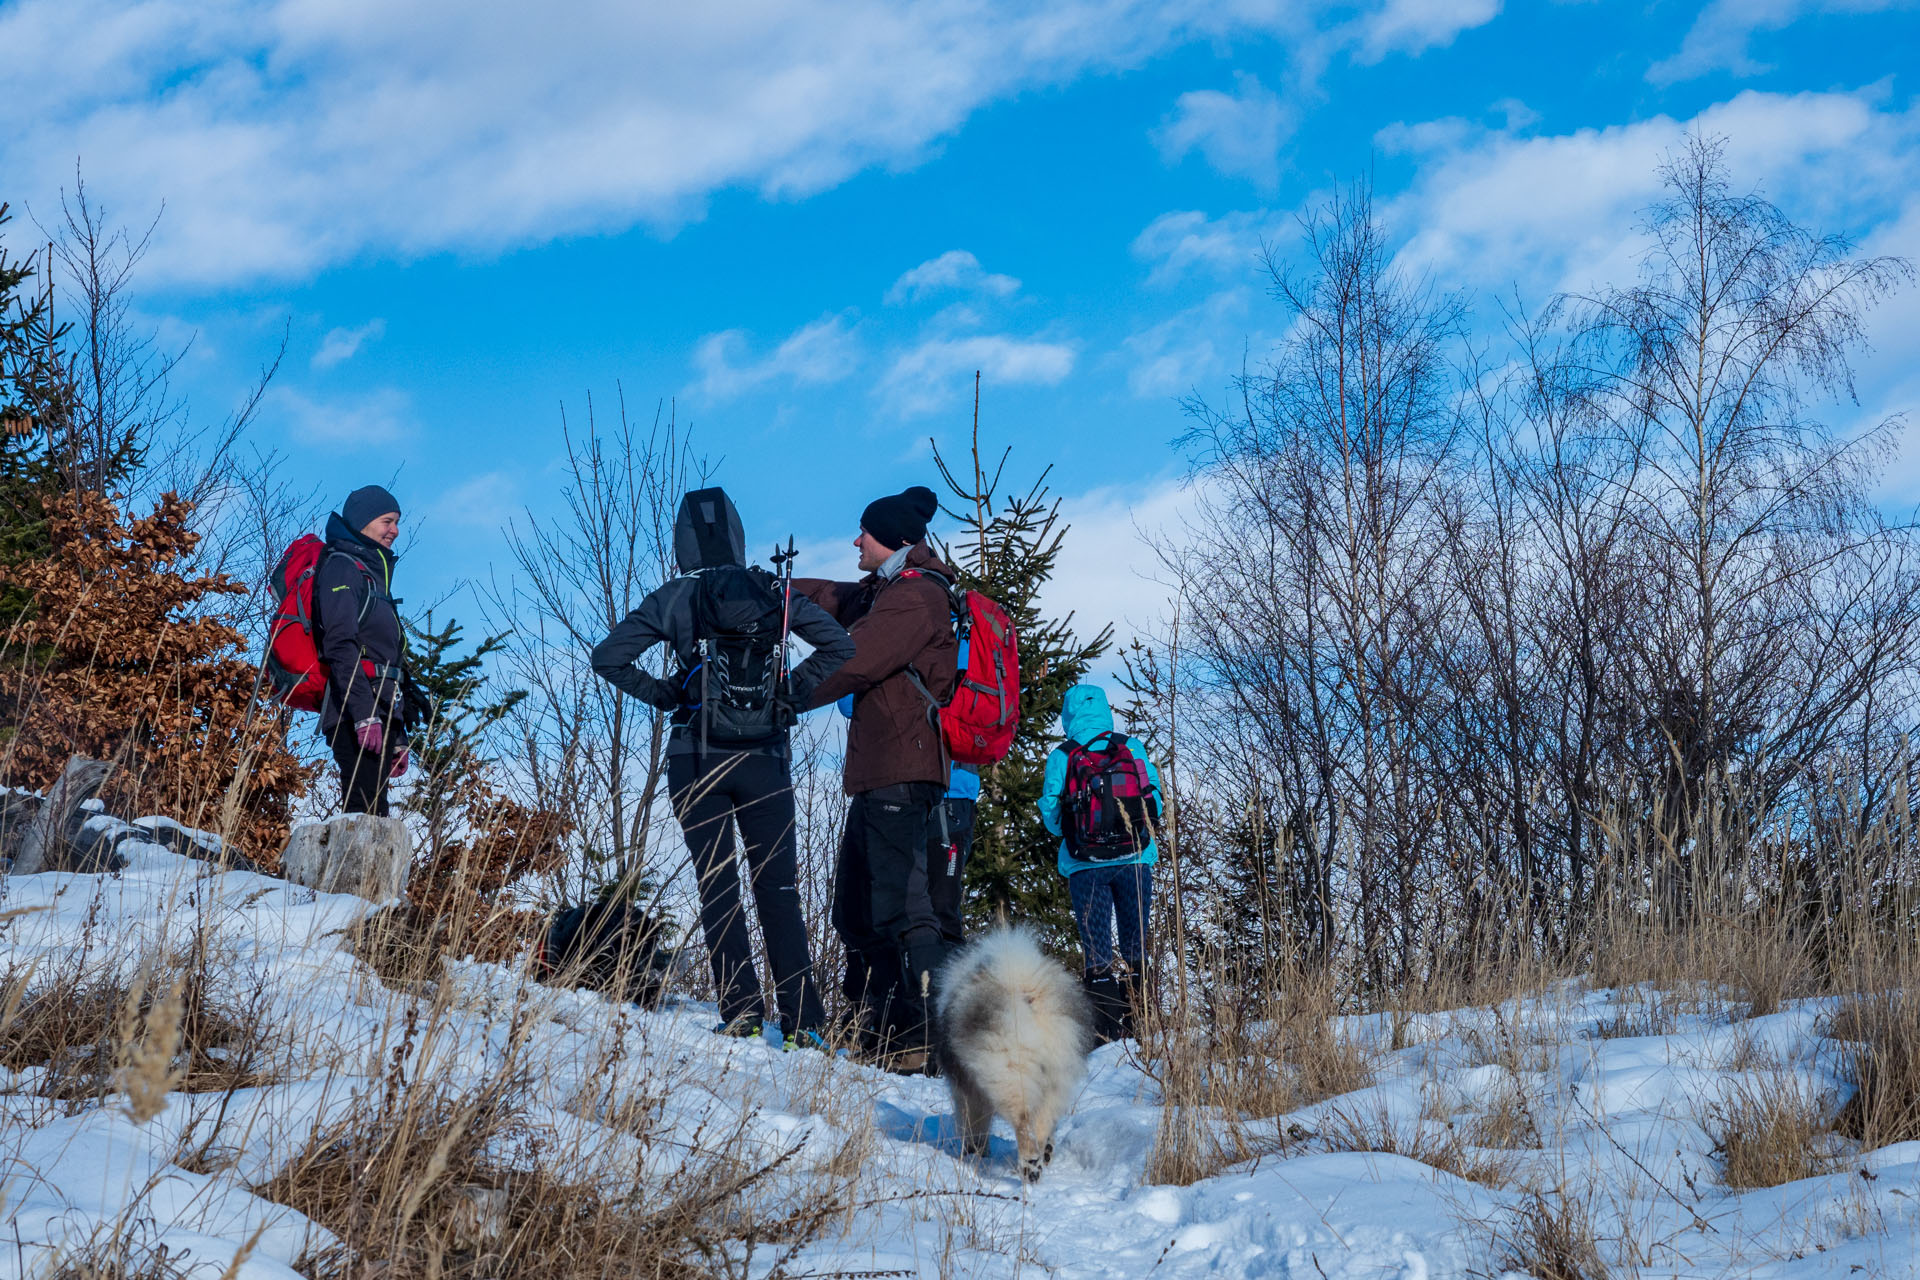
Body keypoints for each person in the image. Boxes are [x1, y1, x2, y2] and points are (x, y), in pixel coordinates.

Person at [591, 487, 853, 1050]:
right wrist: (788, 697)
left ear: (683, 541)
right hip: (766, 759)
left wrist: (666, 695)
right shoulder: (774, 593)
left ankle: (740, 1012)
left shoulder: (676, 597)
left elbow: (608, 657)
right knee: (778, 887)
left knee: (717, 884)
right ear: (737, 535)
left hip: (696, 756)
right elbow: (839, 647)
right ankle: (804, 1021)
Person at [796, 485, 958, 1071]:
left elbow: (850, 657)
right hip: (878, 772)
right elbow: (835, 599)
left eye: (864, 531)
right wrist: (775, 595)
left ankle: (929, 1039)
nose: (854, 540)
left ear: (889, 538)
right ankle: (883, 1034)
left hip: (902, 769)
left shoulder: (915, 599)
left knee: (903, 909)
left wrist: (779, 699)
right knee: (855, 909)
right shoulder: (885, 590)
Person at [1038, 683, 1163, 1043]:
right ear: (1106, 710)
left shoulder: (1063, 755)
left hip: (1085, 864)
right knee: (1136, 944)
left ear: (1068, 714)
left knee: (1096, 949)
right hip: (1135, 860)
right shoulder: (1130, 746)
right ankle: (1144, 1027)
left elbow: (1051, 812)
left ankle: (1107, 1033)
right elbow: (1152, 796)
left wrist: (1073, 832)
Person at [315, 485, 410, 816]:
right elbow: (340, 644)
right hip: (352, 711)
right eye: (387, 521)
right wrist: (364, 715)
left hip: (377, 713)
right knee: (364, 813)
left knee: (375, 814)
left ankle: (360, 869)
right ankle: (347, 869)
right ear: (364, 520)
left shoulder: (373, 575)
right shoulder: (343, 568)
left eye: (397, 522)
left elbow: (388, 660)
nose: (395, 531)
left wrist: (397, 734)